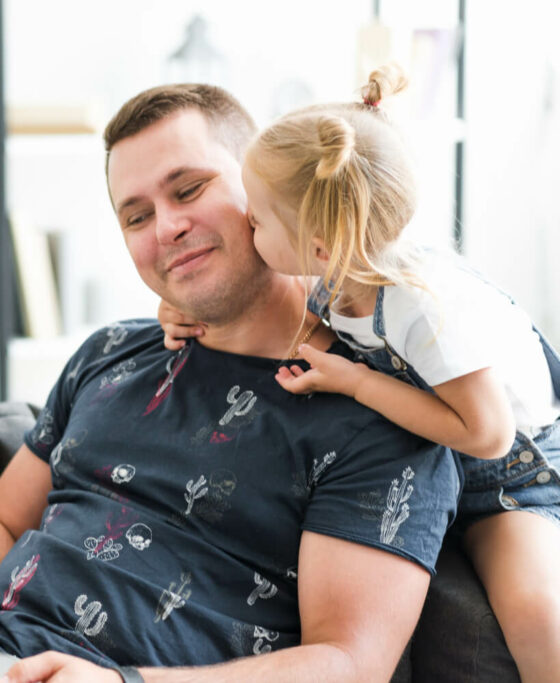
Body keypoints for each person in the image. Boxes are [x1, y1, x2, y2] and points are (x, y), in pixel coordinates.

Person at [0, 82, 461, 682]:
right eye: (136, 216)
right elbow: (1, 520)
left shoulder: (380, 416)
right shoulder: (108, 353)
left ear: (261, 187)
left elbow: (349, 664)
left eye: (188, 189)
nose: (166, 228)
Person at [159, 66, 560, 681]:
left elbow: (489, 435)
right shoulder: (336, 270)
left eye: (258, 220)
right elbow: (268, 312)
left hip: (514, 472)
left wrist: (357, 383)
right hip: (448, 456)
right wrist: (183, 312)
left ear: (319, 247)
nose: (246, 226)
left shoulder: (421, 306)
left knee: (538, 615)